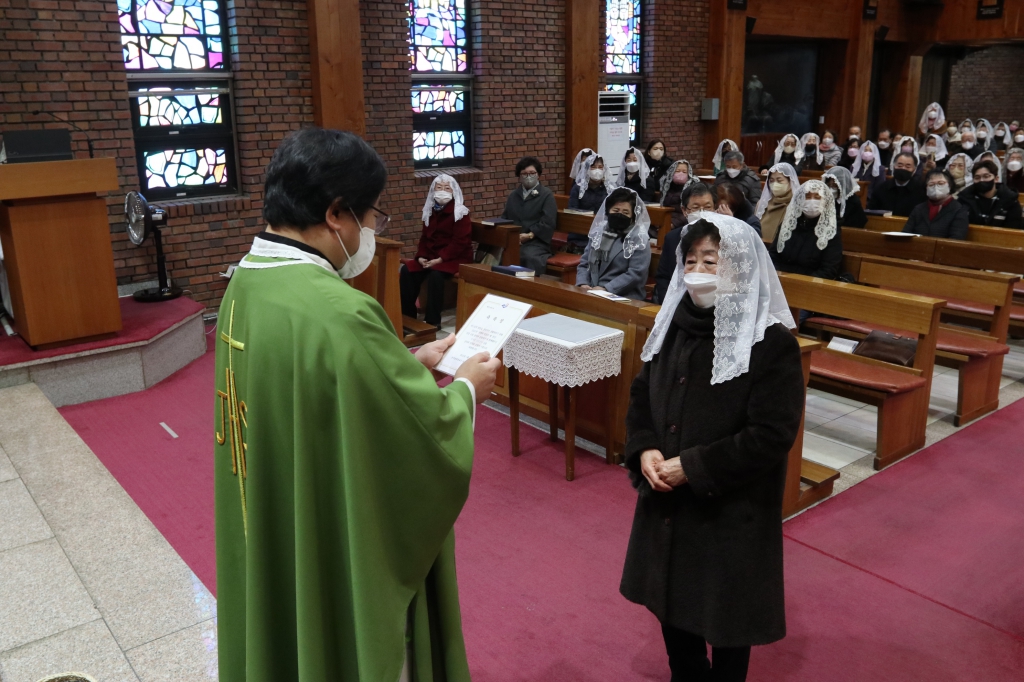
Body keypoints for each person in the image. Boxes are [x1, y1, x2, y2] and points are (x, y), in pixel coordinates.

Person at [215, 127, 501, 682]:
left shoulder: (245, 283)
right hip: (327, 531)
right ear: (336, 214)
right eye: (371, 216)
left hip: (274, 500)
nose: (373, 229)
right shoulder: (340, 310)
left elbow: (309, 387)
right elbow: (423, 438)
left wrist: (405, 368)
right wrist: (465, 390)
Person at [623, 213, 804, 682]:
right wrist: (643, 448)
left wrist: (695, 467)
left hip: (729, 510)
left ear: (740, 268)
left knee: (726, 619)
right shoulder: (673, 325)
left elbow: (772, 433)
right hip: (668, 500)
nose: (697, 270)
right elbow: (643, 393)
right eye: (691, 260)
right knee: (669, 605)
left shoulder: (770, 342)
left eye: (712, 260)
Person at [400, 175, 473, 328]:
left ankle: (433, 321)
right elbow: (424, 238)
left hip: (455, 257)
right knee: (408, 270)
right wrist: (421, 257)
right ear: (433, 190)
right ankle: (407, 317)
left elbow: (460, 242)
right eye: (439, 188)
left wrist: (440, 259)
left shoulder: (461, 213)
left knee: (435, 275)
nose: (442, 191)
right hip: (432, 256)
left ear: (454, 192)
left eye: (447, 188)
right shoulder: (430, 211)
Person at [576, 187, 652, 300]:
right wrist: (583, 283)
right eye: (616, 211)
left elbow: (636, 273)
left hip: (623, 294)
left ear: (633, 216)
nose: (620, 215)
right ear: (608, 211)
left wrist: (606, 289)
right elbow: (584, 262)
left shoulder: (639, 239)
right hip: (592, 289)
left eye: (625, 212)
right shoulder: (599, 232)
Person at [770, 179, 843, 281]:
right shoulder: (788, 224)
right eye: (807, 197)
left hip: (810, 285)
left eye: (817, 197)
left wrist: (803, 283)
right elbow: (773, 255)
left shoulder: (831, 230)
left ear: (825, 201)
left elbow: (829, 269)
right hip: (780, 280)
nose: (812, 201)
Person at [654, 184, 716, 303]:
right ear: (684, 210)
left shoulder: (721, 238)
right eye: (696, 208)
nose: (702, 213)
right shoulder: (672, 238)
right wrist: (669, 305)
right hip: (676, 302)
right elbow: (663, 277)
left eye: (707, 207)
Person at [502, 156, 558, 275]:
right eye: (524, 174)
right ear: (519, 176)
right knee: (497, 252)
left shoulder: (546, 195)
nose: (528, 176)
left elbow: (548, 222)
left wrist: (529, 235)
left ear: (538, 175)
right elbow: (505, 219)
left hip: (537, 241)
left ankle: (528, 288)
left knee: (527, 256)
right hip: (515, 239)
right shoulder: (513, 196)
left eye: (532, 173)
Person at [902, 169, 970, 240]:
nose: (935, 187)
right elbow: (906, 233)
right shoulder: (918, 209)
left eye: (941, 183)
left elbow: (956, 238)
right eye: (931, 184)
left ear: (949, 186)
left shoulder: (959, 210)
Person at [957, 159, 1024, 229]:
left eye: (986, 176)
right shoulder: (964, 199)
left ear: (996, 179)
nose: (981, 180)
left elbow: (1013, 231)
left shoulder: (1010, 201)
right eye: (977, 178)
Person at [565, 154, 612, 251]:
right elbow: (572, 210)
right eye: (593, 167)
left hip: (603, 233)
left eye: (600, 167)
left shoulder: (609, 189)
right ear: (586, 169)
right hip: (580, 233)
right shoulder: (578, 188)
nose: (597, 170)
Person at [868, 152, 927, 217]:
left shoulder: (922, 190)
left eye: (908, 166)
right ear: (894, 166)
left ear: (914, 170)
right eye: (900, 165)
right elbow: (872, 211)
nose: (903, 168)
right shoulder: (881, 188)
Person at [754, 163, 799, 244]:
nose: (775, 184)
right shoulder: (762, 204)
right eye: (771, 181)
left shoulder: (796, 205)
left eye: (779, 181)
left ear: (790, 181)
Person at [661, 160, 697, 229]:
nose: (681, 173)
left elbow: (690, 212)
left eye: (684, 172)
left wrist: (674, 224)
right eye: (677, 171)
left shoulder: (693, 188)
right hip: (665, 218)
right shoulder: (666, 186)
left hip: (682, 222)